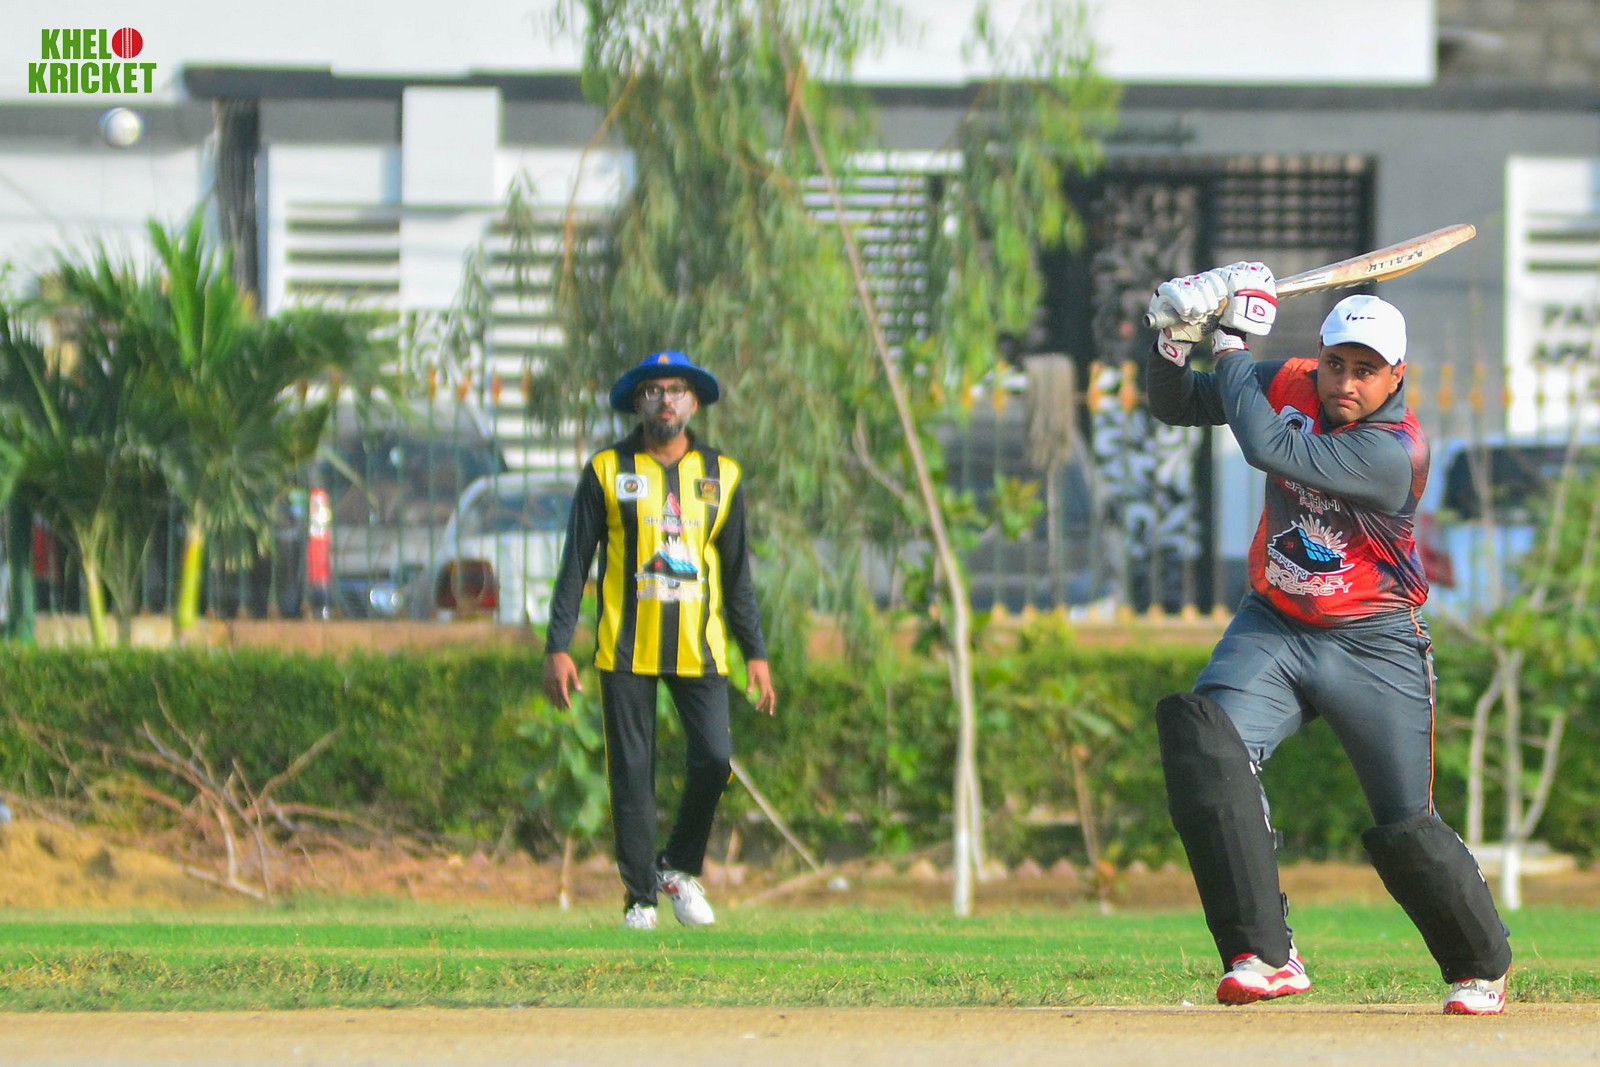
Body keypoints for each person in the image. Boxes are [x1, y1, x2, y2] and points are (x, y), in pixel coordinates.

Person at [1143, 266, 1512, 1014]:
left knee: (1406, 825)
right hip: (1276, 622)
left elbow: (1268, 448)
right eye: (1336, 362)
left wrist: (1233, 337)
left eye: (1366, 371)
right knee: (1207, 745)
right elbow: (1180, 404)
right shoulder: (1293, 382)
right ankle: (1263, 955)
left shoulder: (1395, 451)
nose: (1345, 382)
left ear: (1397, 376)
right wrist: (1173, 340)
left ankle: (1481, 965)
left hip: (1375, 642)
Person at [543, 349, 777, 931]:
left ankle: (677, 866)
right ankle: (640, 899)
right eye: (653, 391)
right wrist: (558, 645)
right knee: (632, 773)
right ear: (638, 403)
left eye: (676, 390)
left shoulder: (722, 476)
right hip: (625, 647)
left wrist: (756, 652)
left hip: (701, 648)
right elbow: (575, 565)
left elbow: (736, 575)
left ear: (693, 402)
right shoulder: (607, 471)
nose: (665, 400)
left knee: (716, 759)